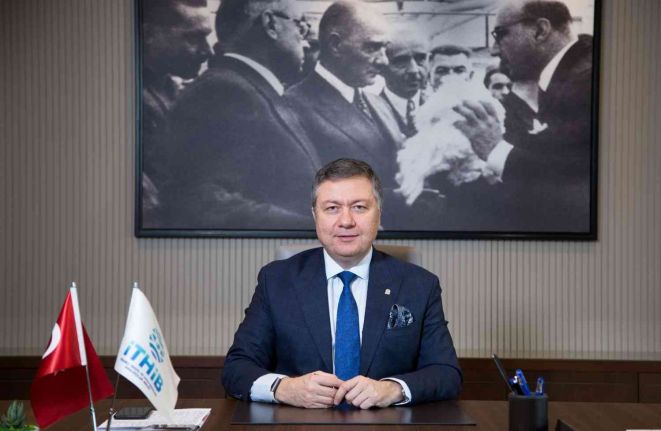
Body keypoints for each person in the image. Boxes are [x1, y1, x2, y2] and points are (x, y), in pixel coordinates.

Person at [222, 158, 462, 408]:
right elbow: (236, 368)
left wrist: (392, 389)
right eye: (332, 208)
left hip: (386, 423)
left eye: (359, 207)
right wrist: (284, 388)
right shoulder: (276, 281)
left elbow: (446, 374)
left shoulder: (420, 285)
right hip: (299, 422)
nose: (346, 221)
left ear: (379, 213)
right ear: (315, 215)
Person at [156, 0, 321, 230]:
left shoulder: (249, 88)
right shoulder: (224, 92)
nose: (305, 41)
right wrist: (314, 227)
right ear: (270, 24)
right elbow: (199, 201)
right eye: (300, 25)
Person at [456, 0, 594, 231]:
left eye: (501, 34)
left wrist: (495, 149)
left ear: (540, 30)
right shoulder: (575, 73)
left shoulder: (583, 83)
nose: (494, 49)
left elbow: (567, 184)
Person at [285, 1, 402, 197]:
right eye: (372, 47)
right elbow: (310, 193)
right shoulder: (293, 106)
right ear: (335, 45)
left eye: (385, 48)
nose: (384, 61)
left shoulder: (379, 103)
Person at [140, 0, 212, 218]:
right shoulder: (122, 101)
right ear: (148, 34)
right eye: (193, 38)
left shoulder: (172, 89)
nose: (207, 51)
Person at [379, 31, 429, 138]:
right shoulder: (370, 112)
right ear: (381, 68)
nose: (414, 70)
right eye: (400, 61)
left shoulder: (440, 107)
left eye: (420, 59)